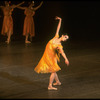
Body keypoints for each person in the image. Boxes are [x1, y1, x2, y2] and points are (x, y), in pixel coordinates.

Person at [34, 16, 69, 90]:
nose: (65, 39)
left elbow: (62, 53)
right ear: (62, 35)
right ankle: (58, 82)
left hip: (52, 58)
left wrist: (66, 59)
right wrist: (60, 20)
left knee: (53, 71)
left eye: (67, 39)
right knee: (54, 71)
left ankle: (50, 86)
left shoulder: (59, 45)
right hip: (47, 56)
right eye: (65, 37)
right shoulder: (56, 36)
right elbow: (58, 28)